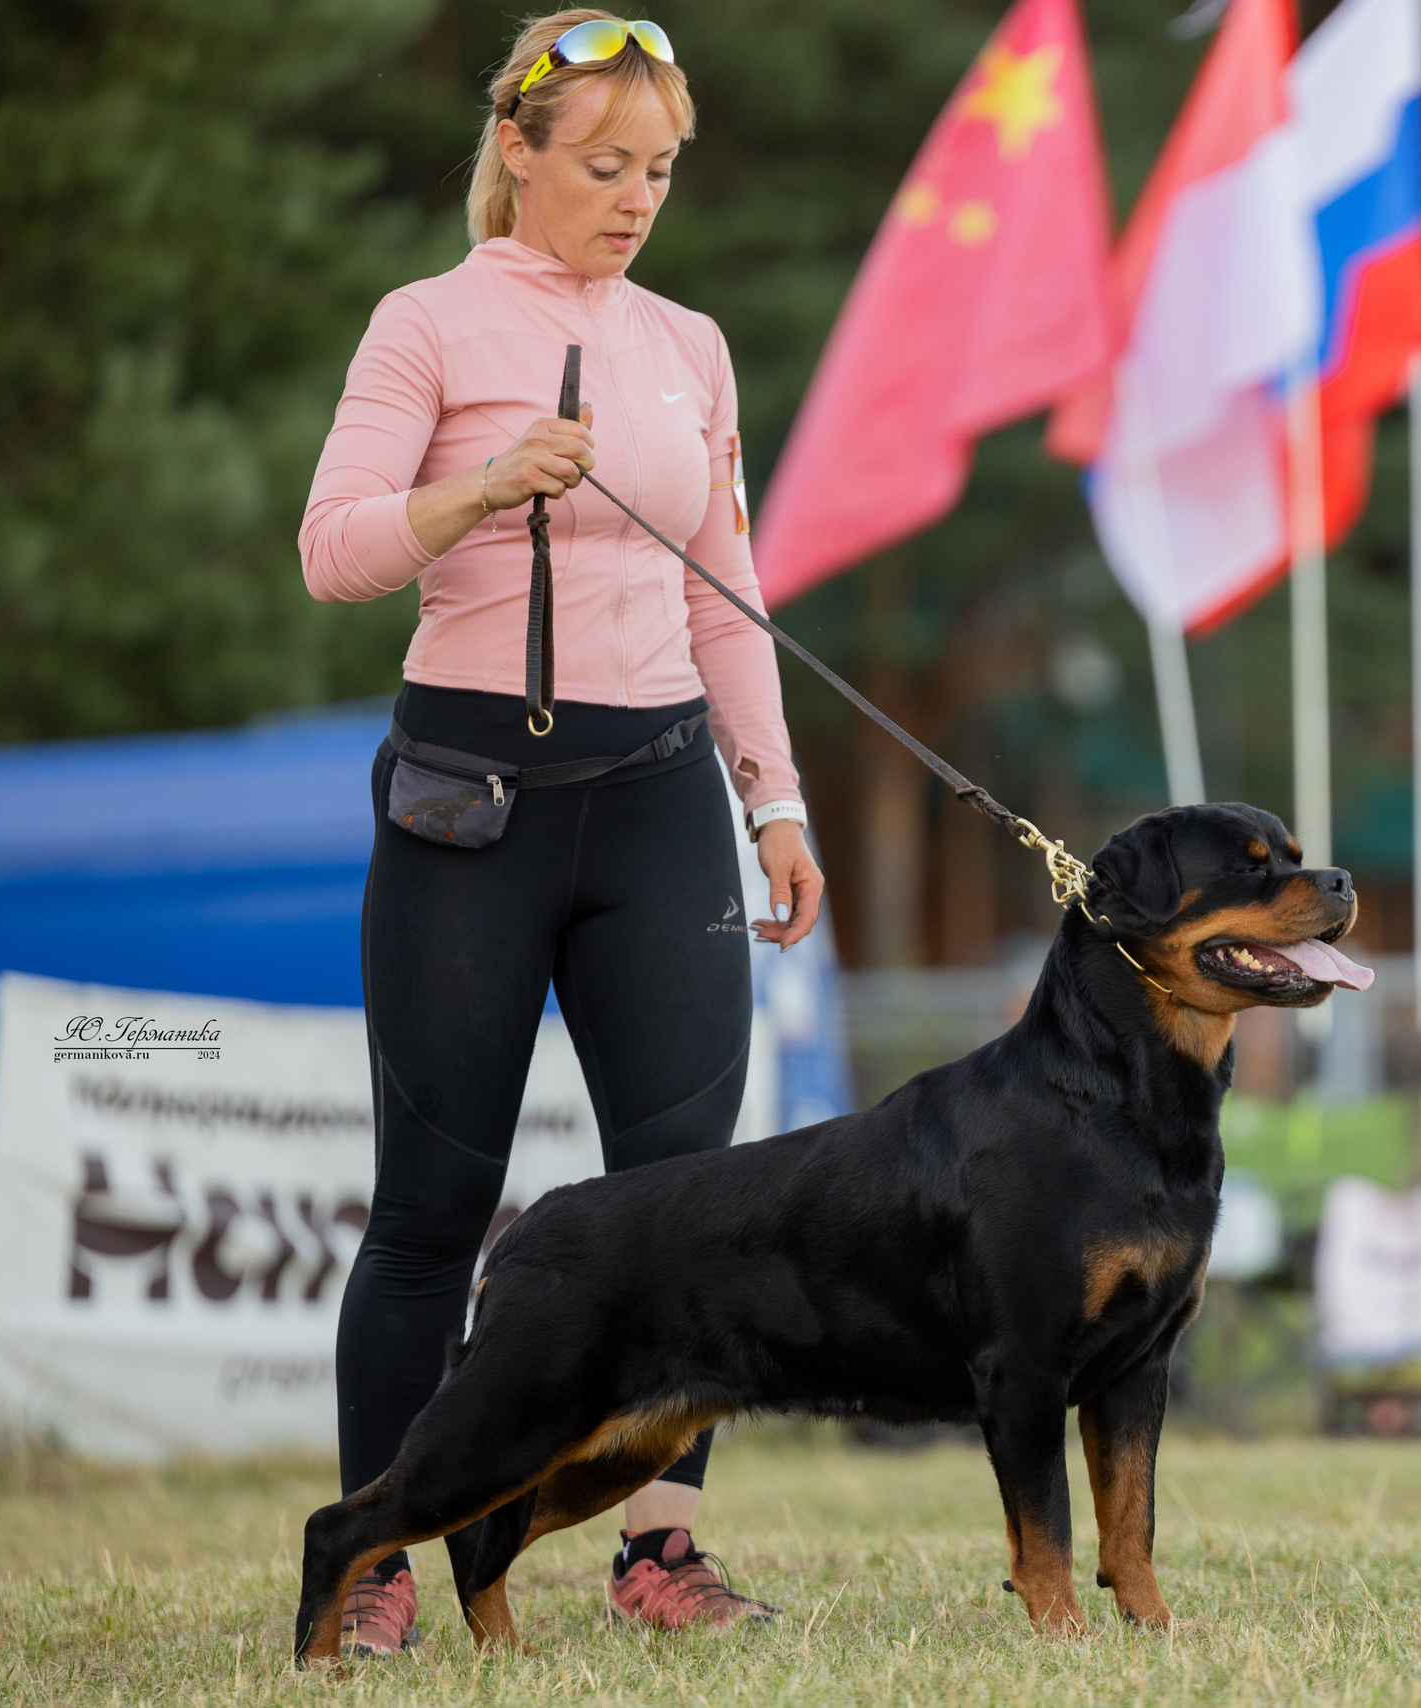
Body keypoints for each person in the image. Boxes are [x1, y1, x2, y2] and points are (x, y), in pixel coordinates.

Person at [298, 11, 819, 1653]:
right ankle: (373, 1563)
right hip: (472, 805)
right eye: (603, 165)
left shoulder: (692, 345)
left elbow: (727, 599)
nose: (635, 197)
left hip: (660, 801)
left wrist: (777, 800)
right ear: (516, 152)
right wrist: (481, 486)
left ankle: (658, 1550)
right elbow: (334, 552)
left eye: (658, 170)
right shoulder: (426, 325)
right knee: (429, 1214)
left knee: (693, 1211)